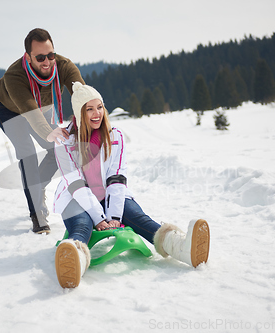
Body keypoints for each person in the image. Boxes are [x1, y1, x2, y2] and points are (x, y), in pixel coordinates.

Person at [53, 82, 210, 288]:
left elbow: (116, 178)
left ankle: (181, 247)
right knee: (82, 224)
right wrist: (99, 218)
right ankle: (74, 260)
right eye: (89, 109)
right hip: (75, 196)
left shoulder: (115, 136)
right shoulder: (64, 142)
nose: (96, 113)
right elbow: (76, 185)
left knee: (137, 217)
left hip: (110, 193)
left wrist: (115, 216)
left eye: (99, 107)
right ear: (79, 113)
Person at [0, 28, 85, 234]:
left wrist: (97, 124)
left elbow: (84, 97)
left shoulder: (63, 66)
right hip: (10, 110)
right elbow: (31, 114)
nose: (47, 61)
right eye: (40, 57)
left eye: (50, 55)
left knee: (57, 149)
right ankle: (37, 214)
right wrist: (53, 134)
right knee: (28, 155)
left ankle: (38, 185)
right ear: (28, 56)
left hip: (41, 107)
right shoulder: (14, 76)